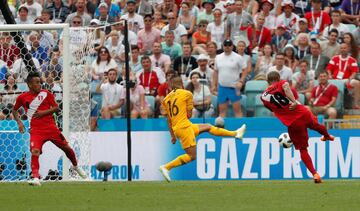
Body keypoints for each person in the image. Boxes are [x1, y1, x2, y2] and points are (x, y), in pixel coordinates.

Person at [159, 76, 246, 182]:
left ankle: (236, 134)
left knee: (208, 127)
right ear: (182, 83)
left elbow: (168, 119)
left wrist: (172, 136)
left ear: (170, 85)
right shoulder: (187, 94)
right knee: (192, 156)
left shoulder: (166, 99)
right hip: (184, 128)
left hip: (180, 127)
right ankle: (166, 167)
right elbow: (189, 115)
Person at [12, 71, 87, 186]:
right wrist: (20, 123)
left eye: (39, 82)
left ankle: (76, 166)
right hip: (36, 131)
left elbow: (56, 108)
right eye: (36, 82)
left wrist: (43, 113)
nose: (39, 84)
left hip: (51, 128)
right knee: (35, 152)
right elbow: (14, 110)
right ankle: (36, 178)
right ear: (30, 84)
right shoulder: (22, 97)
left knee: (66, 148)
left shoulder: (46, 94)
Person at [261, 70, 334, 183]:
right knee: (316, 125)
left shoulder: (263, 97)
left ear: (267, 81)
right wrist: (294, 101)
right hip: (302, 112)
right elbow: (287, 88)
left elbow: (272, 110)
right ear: (278, 78)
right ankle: (327, 135)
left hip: (293, 123)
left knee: (303, 150)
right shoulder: (282, 83)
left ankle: (315, 174)